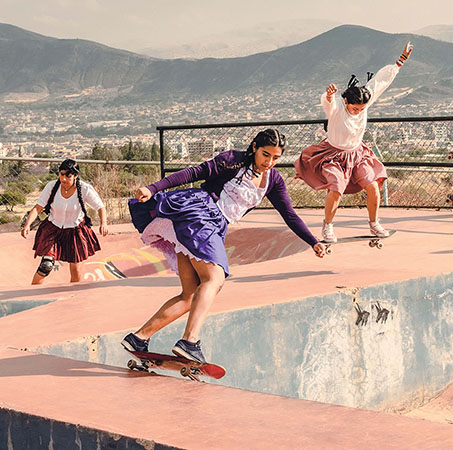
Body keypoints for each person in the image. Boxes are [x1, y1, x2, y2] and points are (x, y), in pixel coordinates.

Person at [121, 129, 325, 363]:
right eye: (265, 155)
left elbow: (288, 214)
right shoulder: (233, 161)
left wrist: (313, 241)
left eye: (275, 158)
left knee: (190, 296)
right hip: (200, 213)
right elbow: (194, 172)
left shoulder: (273, 181)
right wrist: (154, 188)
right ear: (254, 147)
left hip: (213, 226)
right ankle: (189, 341)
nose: (268, 162)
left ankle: (139, 337)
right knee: (214, 279)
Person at [294, 42, 413, 242]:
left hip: (358, 154)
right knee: (336, 188)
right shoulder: (339, 107)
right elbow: (328, 103)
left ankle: (374, 224)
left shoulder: (363, 101)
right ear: (347, 102)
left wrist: (400, 61)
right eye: (355, 108)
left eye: (362, 108)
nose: (358, 111)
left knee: (373, 185)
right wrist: (330, 95)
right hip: (333, 155)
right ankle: (328, 226)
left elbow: (379, 82)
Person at [21, 159, 108, 284]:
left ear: (76, 175)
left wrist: (103, 223)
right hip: (53, 229)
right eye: (62, 174)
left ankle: (74, 299)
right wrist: (27, 225)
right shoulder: (51, 186)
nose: (64, 179)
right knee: (46, 266)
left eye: (68, 176)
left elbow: (100, 207)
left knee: (76, 273)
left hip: (75, 231)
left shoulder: (85, 189)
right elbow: (38, 207)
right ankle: (29, 293)